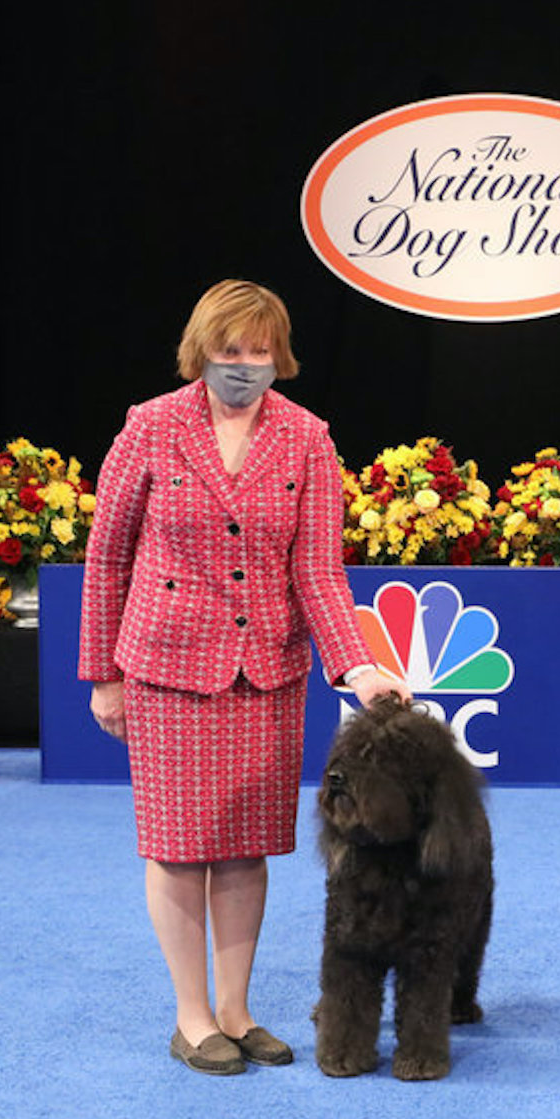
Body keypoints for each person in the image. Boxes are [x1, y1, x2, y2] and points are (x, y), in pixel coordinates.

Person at [80, 279, 410, 1076]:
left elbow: (320, 574)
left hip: (266, 673)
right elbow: (108, 555)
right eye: (230, 351)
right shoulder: (149, 427)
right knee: (178, 847)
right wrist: (102, 674)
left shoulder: (307, 438)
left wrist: (356, 664)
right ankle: (191, 1016)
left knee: (243, 850)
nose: (244, 365)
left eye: (259, 351)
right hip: (164, 668)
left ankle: (236, 1008)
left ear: (279, 356)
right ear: (203, 351)